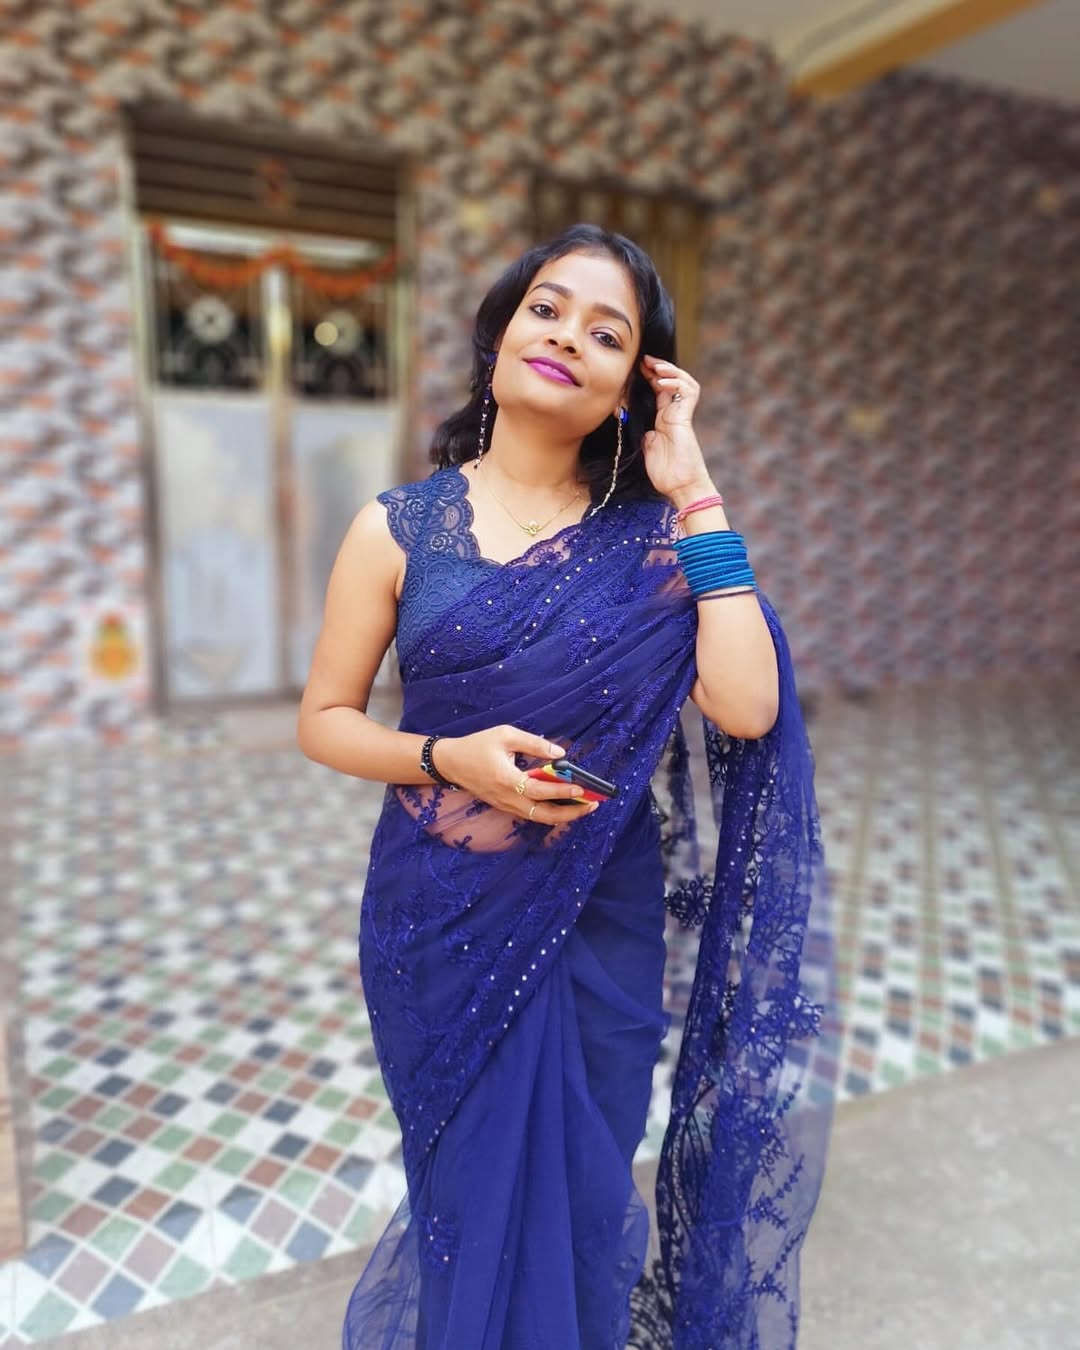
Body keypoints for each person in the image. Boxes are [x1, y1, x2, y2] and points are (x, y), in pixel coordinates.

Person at [297, 223, 836, 1349]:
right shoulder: (398, 528)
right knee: (467, 1201)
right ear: (500, 332)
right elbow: (326, 722)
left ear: (633, 389)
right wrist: (447, 757)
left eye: (607, 333)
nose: (566, 338)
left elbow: (746, 706)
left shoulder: (650, 543)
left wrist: (695, 492)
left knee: (584, 1195)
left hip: (600, 917)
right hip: (439, 921)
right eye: (547, 309)